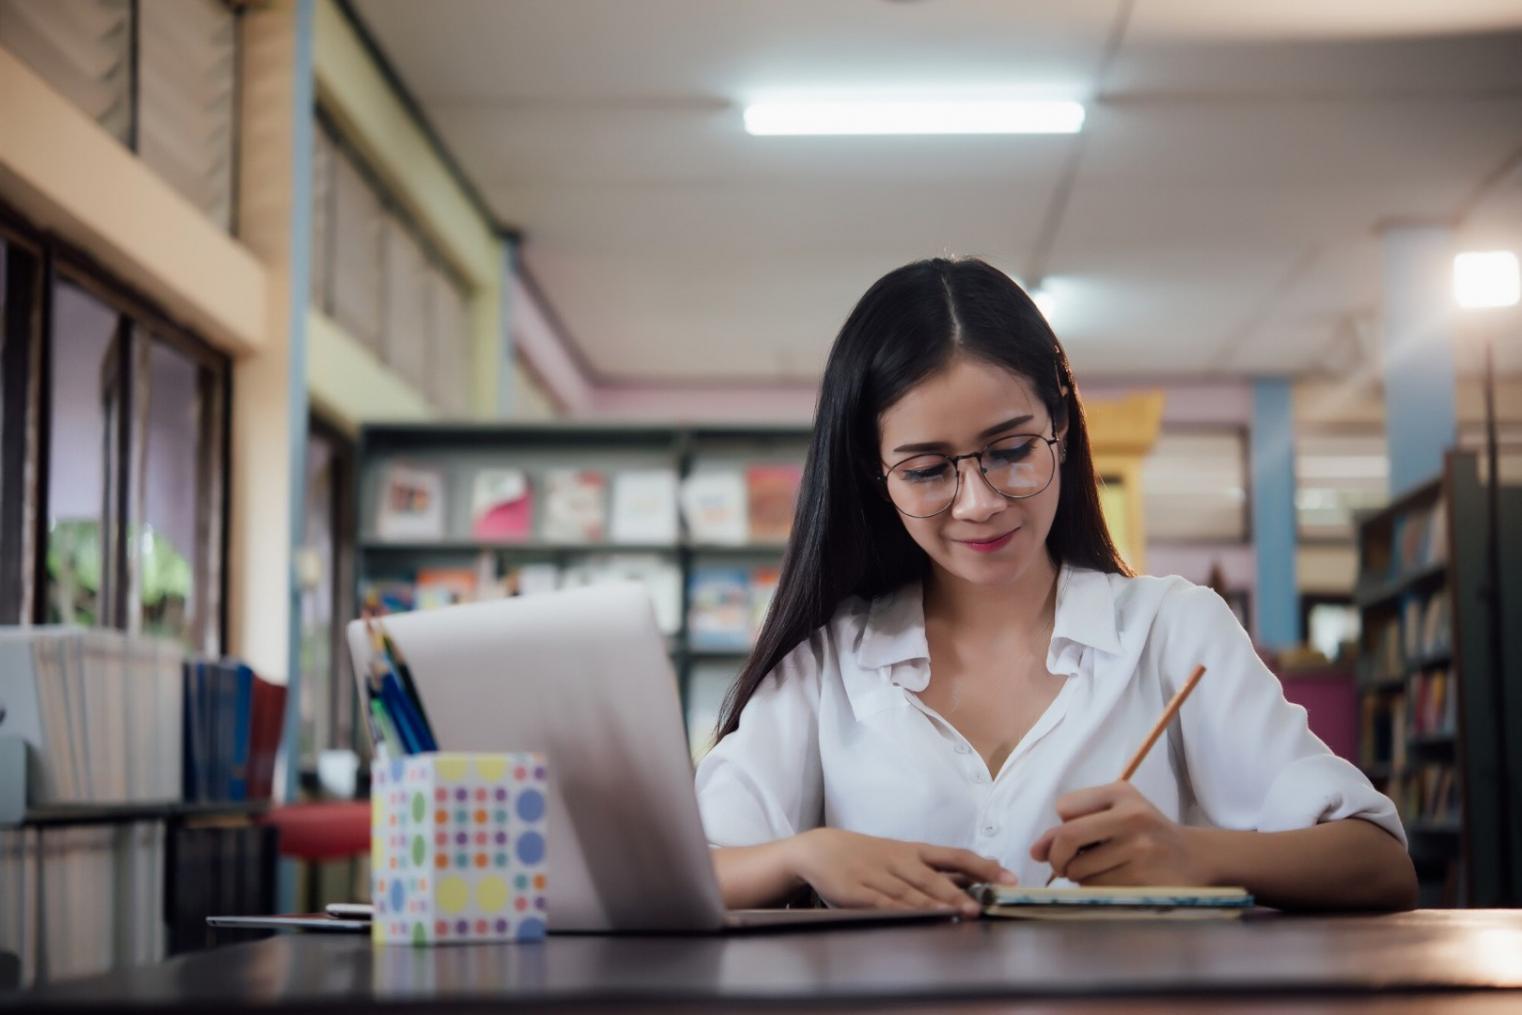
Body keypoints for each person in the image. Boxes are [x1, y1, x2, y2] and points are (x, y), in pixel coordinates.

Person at [695, 257, 1416, 917]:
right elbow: (687, 872)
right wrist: (803, 853)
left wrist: (1191, 853)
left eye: (1010, 450)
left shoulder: (1172, 630)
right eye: (926, 469)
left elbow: (1378, 861)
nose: (978, 502)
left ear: (1062, 426)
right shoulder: (826, 666)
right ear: (874, 475)